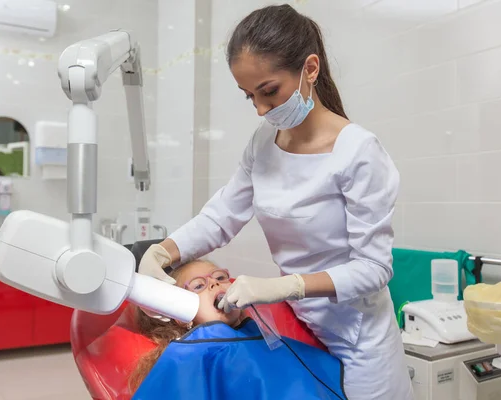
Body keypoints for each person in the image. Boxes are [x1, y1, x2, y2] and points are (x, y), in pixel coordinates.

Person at [139, 4, 413, 400]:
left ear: (310, 69)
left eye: (269, 91)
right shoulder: (263, 143)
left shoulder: (358, 152)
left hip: (359, 340)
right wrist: (162, 251)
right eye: (249, 96)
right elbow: (220, 216)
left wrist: (286, 285)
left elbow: (373, 269)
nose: (261, 110)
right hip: (296, 326)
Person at [129, 259, 347, 399]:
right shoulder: (186, 357)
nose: (214, 284)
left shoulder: (268, 340)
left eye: (220, 277)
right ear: (178, 314)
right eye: (198, 285)